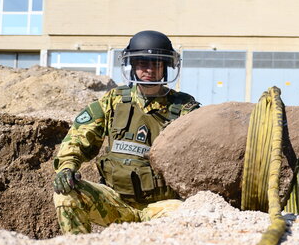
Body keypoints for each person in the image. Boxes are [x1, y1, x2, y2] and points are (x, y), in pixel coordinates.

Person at [52, 30, 200, 234]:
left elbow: (203, 157)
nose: (149, 69)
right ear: (132, 66)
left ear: (165, 67)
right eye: (142, 63)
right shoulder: (113, 101)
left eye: (156, 64)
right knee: (65, 194)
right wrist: (66, 168)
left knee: (191, 214)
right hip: (115, 203)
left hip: (163, 207)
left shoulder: (185, 108)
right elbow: (78, 138)